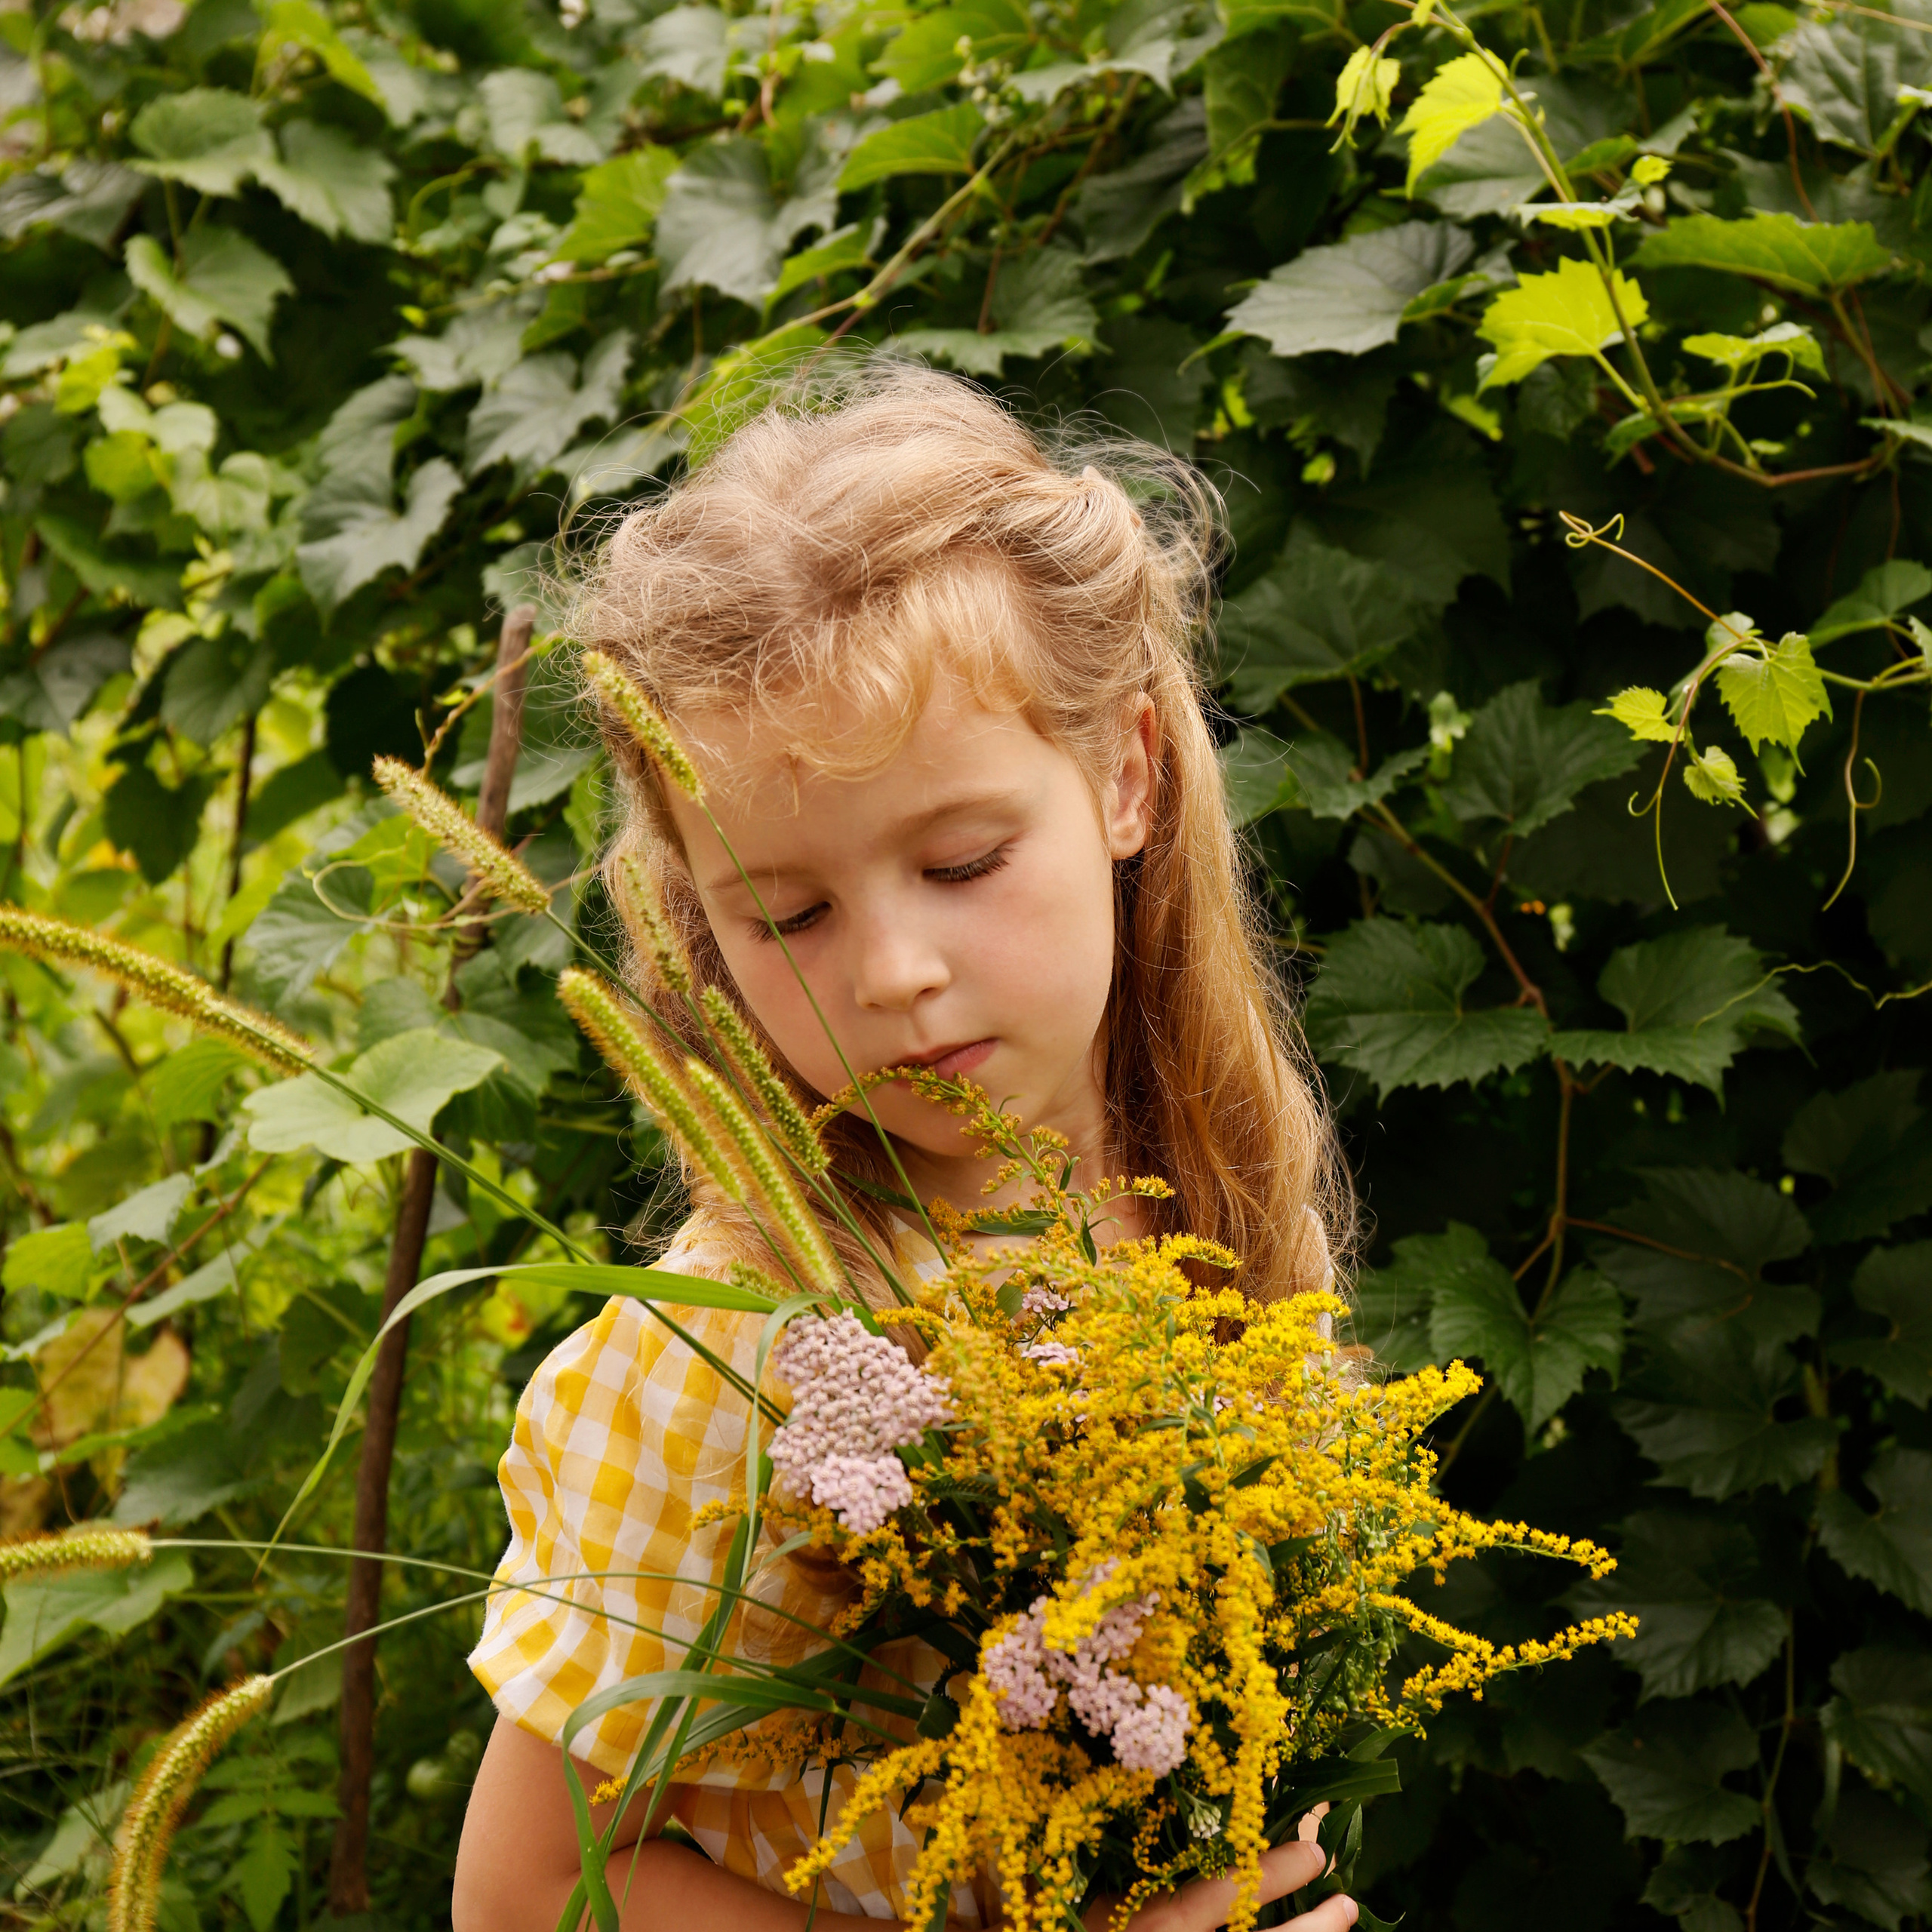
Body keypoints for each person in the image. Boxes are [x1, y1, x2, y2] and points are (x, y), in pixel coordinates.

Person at [452, 360, 1356, 1932]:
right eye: (786, 911)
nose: (886, 970)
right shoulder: (727, 1363)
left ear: (1124, 773)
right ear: (701, 930)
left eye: (957, 860)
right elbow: (528, 1892)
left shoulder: (1192, 1206)